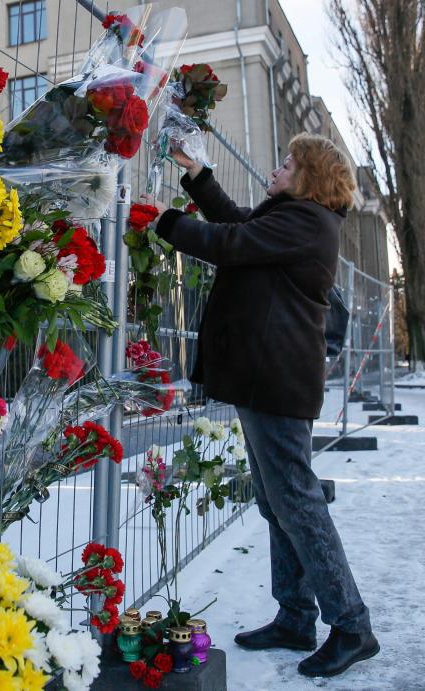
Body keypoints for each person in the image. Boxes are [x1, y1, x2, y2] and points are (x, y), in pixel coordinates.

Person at [138, 133, 379, 679]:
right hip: (264, 379)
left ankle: (352, 625)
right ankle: (296, 616)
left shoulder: (308, 223)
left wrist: (164, 221)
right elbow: (239, 226)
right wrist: (197, 175)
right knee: (278, 502)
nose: (278, 166)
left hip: (277, 381)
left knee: (297, 501)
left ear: (309, 177)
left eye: (288, 162)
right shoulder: (294, 220)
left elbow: (228, 244)